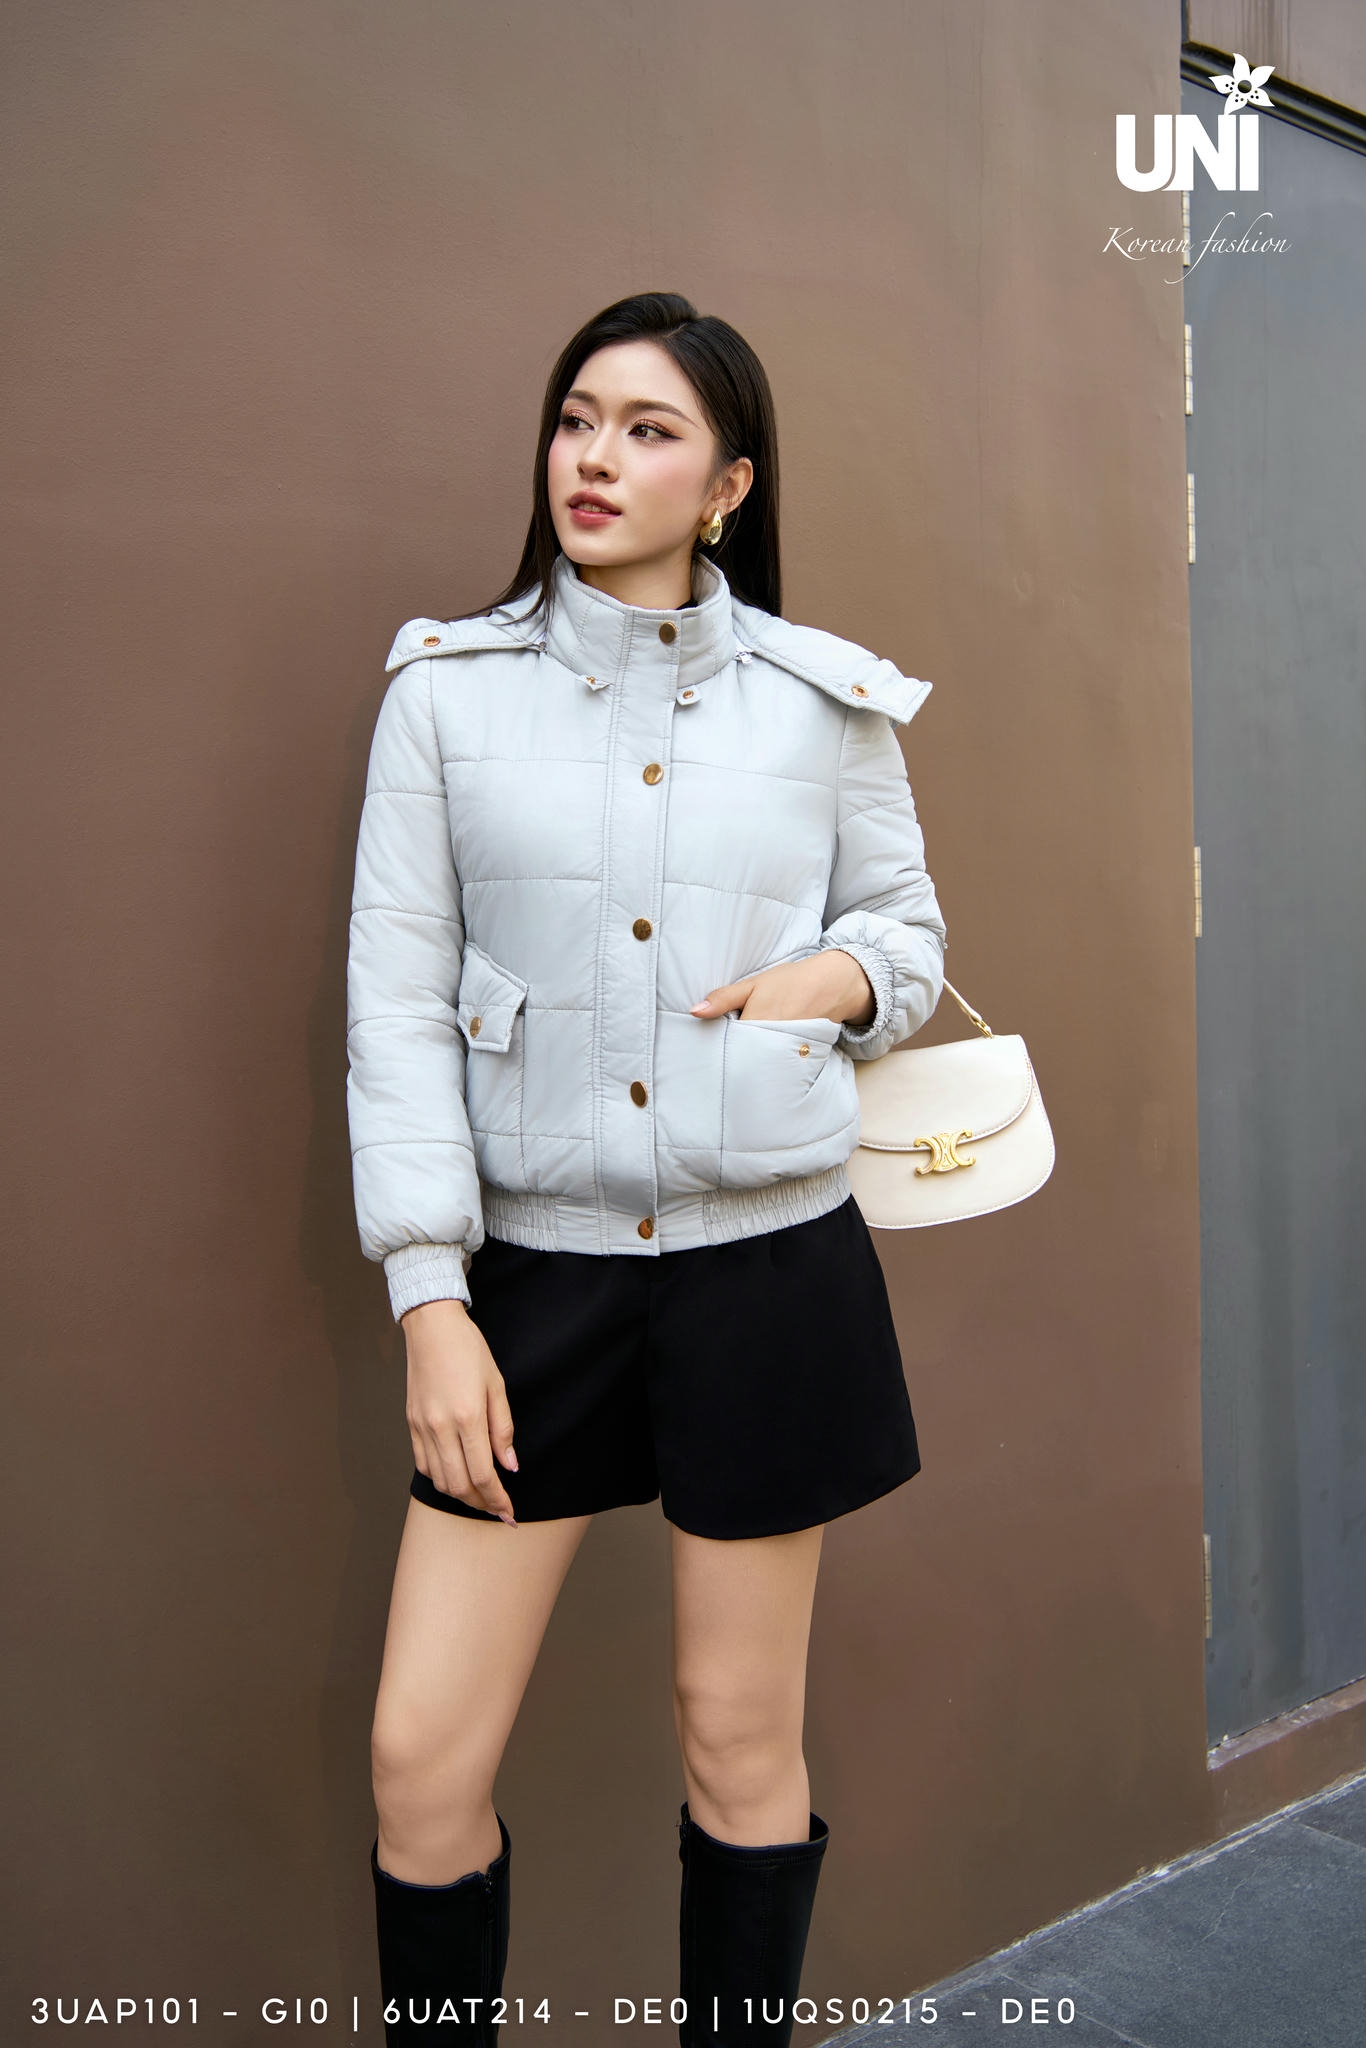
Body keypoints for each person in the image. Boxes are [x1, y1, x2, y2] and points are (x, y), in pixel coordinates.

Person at [347, 290, 948, 2046]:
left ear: (729, 484)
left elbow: (906, 937)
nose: (595, 458)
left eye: (648, 429)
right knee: (417, 1756)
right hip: (529, 1279)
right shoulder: (444, 696)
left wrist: (834, 981)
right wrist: (430, 1299)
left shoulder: (824, 702)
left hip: (768, 1268)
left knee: (738, 1734)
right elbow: (394, 1005)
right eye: (576, 418)